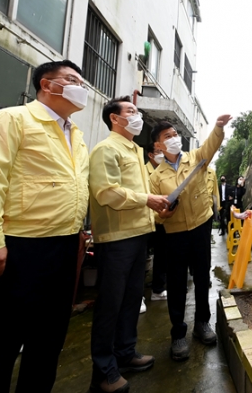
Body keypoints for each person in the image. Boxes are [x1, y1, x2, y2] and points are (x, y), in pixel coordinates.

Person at [0, 60, 90, 393]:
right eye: (72, 79)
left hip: (64, 247)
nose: (81, 87)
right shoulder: (13, 119)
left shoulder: (76, 134)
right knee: (1, 343)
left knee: (48, 342)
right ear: (47, 84)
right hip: (18, 247)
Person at [88, 96, 170, 393]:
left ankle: (125, 352)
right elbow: (106, 192)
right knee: (110, 304)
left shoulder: (134, 150)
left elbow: (142, 191)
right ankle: (103, 370)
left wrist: (157, 205)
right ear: (114, 118)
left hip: (138, 234)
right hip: (116, 238)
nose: (137, 116)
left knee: (132, 299)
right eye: (131, 111)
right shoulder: (105, 149)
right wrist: (148, 200)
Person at [149, 115, 232, 361]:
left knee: (202, 275)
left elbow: (211, 146)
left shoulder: (195, 157)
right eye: (168, 137)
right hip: (174, 233)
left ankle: (202, 324)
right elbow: (155, 214)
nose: (174, 138)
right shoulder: (156, 177)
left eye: (175, 134)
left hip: (200, 227)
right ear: (158, 146)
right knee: (176, 284)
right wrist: (163, 214)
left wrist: (217, 128)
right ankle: (178, 334)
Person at [141, 143, 168, 314]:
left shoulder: (166, 171)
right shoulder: (143, 171)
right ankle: (138, 296)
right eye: (159, 152)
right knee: (141, 259)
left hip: (161, 220)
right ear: (151, 155)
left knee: (161, 256)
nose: (162, 155)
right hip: (145, 221)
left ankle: (158, 290)